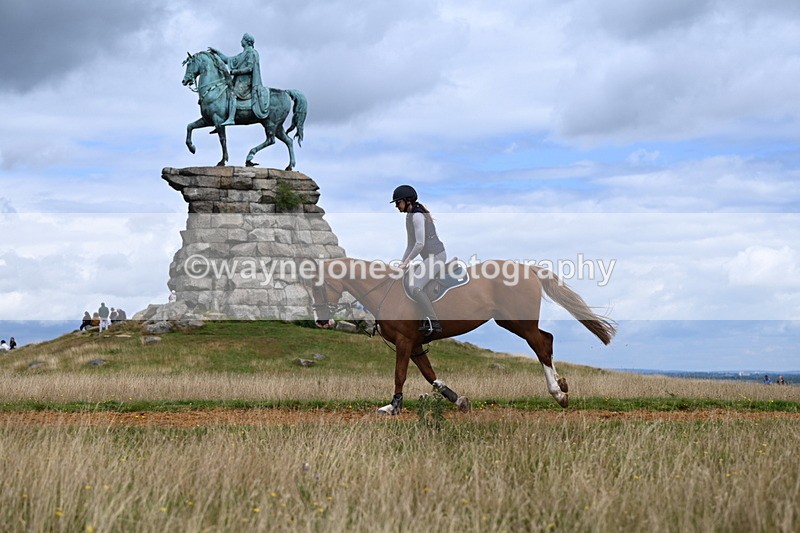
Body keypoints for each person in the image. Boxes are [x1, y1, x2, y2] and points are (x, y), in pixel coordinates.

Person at [392, 184, 446, 335]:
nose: (396, 206)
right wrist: (402, 264)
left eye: (398, 202)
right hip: (428, 258)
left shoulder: (417, 216)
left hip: (437, 256)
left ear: (407, 201)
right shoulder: (409, 217)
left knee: (415, 287)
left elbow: (420, 244)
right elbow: (410, 245)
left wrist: (407, 261)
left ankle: (433, 321)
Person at [208, 32, 269, 131]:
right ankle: (220, 120)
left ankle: (231, 118)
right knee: (224, 92)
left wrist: (235, 71)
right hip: (238, 81)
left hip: (246, 82)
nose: (241, 41)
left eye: (242, 39)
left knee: (232, 94)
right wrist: (217, 52)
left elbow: (250, 68)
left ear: (247, 41)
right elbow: (228, 60)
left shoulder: (252, 53)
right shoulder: (242, 54)